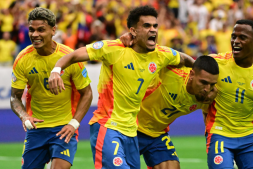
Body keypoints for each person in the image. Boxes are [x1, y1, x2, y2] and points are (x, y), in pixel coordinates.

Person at [48, 6, 194, 169]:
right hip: (107, 125)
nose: (153, 30)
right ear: (133, 31)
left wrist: (198, 68)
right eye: (146, 26)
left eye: (155, 26)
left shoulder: (161, 54)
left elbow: (183, 59)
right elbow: (74, 55)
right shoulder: (113, 49)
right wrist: (55, 71)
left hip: (132, 131)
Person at [10, 7, 92, 169]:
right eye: (32, 30)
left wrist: (74, 123)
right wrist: (24, 116)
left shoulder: (70, 56)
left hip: (64, 129)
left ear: (53, 30)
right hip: (37, 129)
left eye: (41, 30)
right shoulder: (22, 59)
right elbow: (14, 97)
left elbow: (87, 93)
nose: (35, 35)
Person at [204, 19, 253, 169]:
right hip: (219, 133)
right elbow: (193, 72)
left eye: (242, 37)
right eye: (234, 36)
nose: (236, 41)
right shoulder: (216, 63)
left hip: (249, 136)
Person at [138, 55, 219, 169]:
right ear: (191, 74)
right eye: (203, 82)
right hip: (132, 128)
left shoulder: (206, 97)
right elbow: (156, 54)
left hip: (157, 134)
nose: (207, 89)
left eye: (212, 84)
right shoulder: (171, 74)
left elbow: (208, 119)